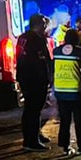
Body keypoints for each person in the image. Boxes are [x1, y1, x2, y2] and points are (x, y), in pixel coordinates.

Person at [51, 26, 81, 155]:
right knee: (79, 120)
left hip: (60, 91)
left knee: (65, 120)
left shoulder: (56, 51)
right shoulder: (80, 53)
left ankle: (66, 147)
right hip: (76, 91)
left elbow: (51, 69)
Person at [15, 13, 53, 151]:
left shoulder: (23, 37)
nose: (45, 26)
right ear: (38, 24)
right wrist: (48, 78)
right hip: (35, 79)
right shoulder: (37, 40)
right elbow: (41, 61)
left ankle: (34, 134)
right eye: (43, 23)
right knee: (34, 109)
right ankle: (31, 141)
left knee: (31, 109)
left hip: (25, 77)